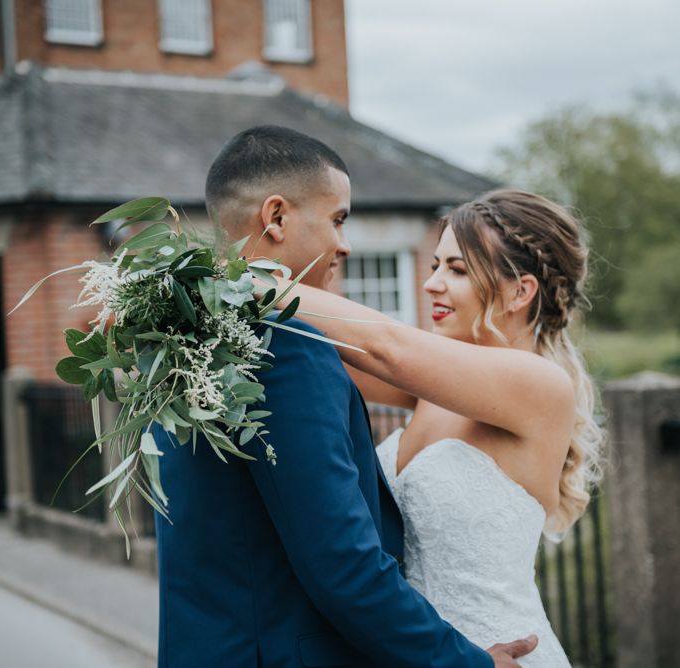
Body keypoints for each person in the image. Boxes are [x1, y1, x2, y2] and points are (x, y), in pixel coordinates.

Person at [152, 126, 537, 667]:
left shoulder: (180, 333)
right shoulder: (284, 342)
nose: (345, 243)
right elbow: (342, 564)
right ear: (277, 217)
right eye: (338, 219)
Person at [272, 189, 606, 666]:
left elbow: (384, 344)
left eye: (458, 270)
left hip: (501, 655)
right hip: (427, 655)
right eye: (435, 265)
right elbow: (313, 345)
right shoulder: (428, 391)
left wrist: (236, 280)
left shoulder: (540, 386)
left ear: (521, 291)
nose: (432, 284)